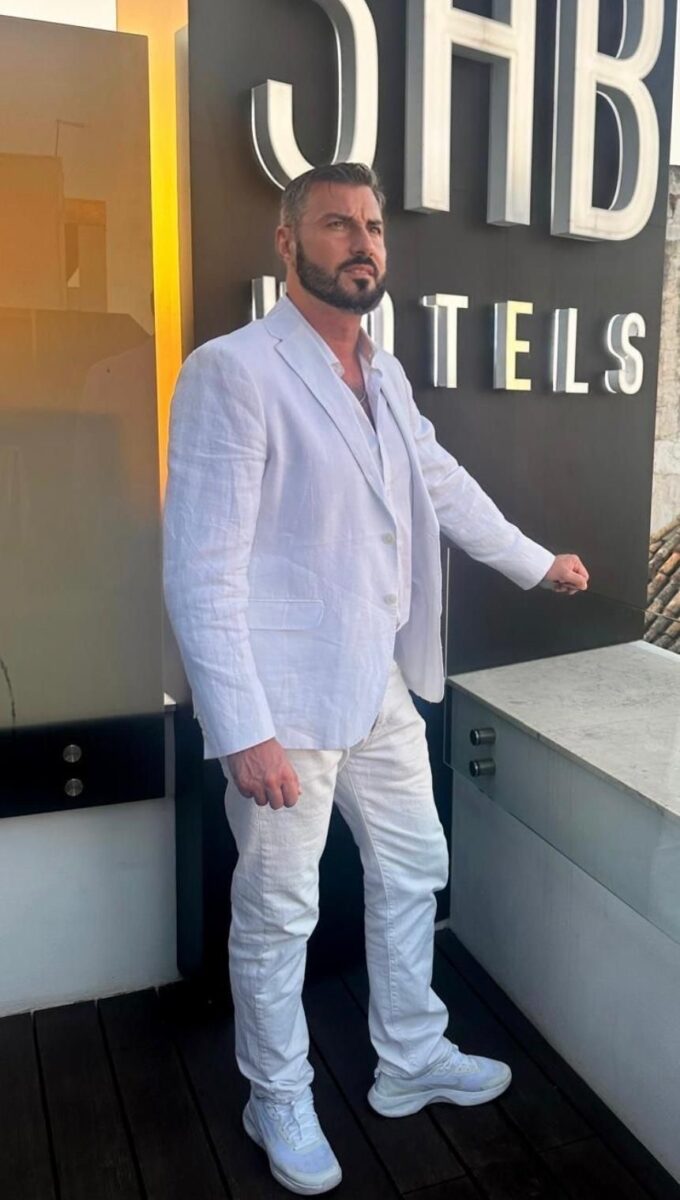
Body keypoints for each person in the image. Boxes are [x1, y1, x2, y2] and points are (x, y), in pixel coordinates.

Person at [163, 162, 589, 1196]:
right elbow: (199, 566)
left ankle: (409, 1056)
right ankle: (276, 1096)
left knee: (413, 866)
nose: (361, 243)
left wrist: (535, 562)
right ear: (287, 242)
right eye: (336, 225)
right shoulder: (234, 371)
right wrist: (242, 729)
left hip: (378, 687)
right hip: (284, 705)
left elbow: (441, 484)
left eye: (372, 227)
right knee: (279, 910)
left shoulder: (384, 375)